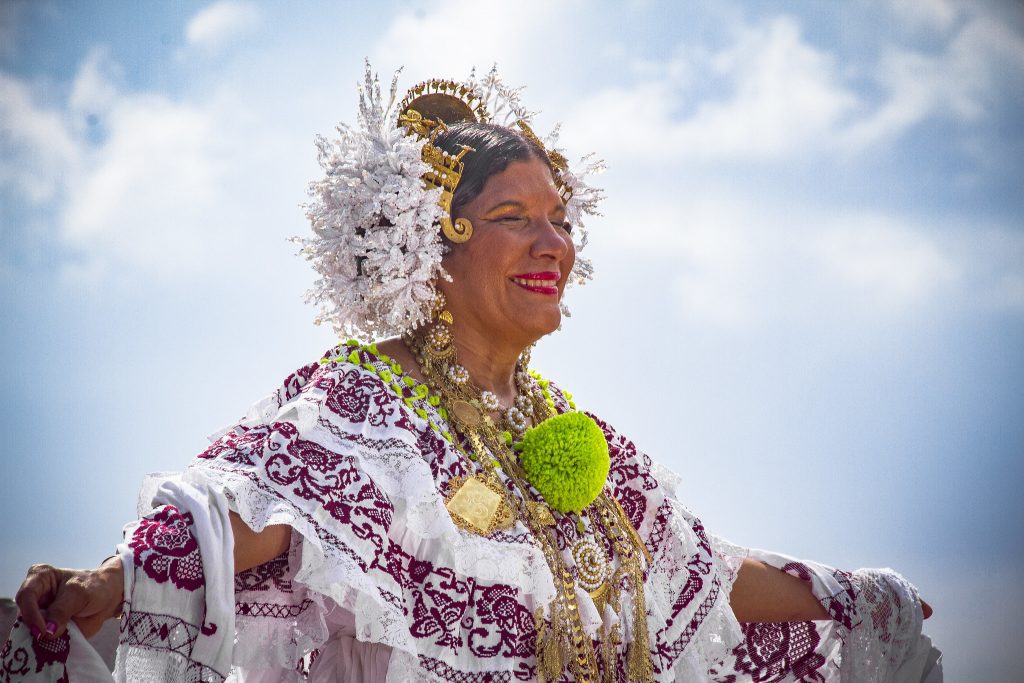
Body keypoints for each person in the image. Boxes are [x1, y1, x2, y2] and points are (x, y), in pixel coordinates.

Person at [3, 66, 941, 682]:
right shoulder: (366, 406)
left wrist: (850, 593)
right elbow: (238, 512)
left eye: (561, 217)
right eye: (513, 218)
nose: (553, 245)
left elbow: (693, 571)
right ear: (429, 252)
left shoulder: (572, 434)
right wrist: (99, 583)